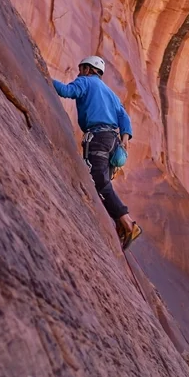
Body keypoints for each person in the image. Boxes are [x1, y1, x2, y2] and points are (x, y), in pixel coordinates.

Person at [53, 55, 141, 250]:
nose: (78, 72)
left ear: (88, 69)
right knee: (103, 184)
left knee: (98, 180)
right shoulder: (110, 93)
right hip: (113, 141)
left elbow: (68, 91)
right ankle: (120, 224)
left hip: (98, 138)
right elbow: (123, 116)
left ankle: (127, 223)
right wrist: (125, 138)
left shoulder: (85, 81)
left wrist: (44, 76)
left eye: (81, 68)